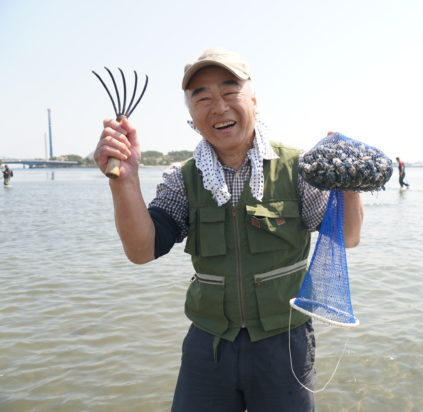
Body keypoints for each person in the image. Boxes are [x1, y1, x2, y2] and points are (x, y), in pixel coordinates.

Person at [93, 48, 364, 411]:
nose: (218, 107)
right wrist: (125, 181)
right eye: (202, 98)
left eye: (229, 92)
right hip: (209, 346)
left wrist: (348, 182)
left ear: (254, 100)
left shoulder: (298, 168)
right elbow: (142, 251)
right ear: (191, 116)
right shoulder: (183, 179)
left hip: (283, 342)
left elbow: (347, 236)